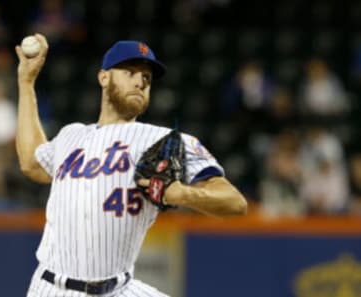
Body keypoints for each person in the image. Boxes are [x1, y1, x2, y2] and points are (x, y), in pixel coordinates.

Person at [15, 34, 247, 297]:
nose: (140, 82)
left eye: (147, 78)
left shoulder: (162, 141)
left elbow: (235, 203)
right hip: (53, 288)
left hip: (119, 289)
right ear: (103, 77)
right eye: (130, 72)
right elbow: (32, 163)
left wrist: (185, 194)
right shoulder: (72, 134)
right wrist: (26, 81)